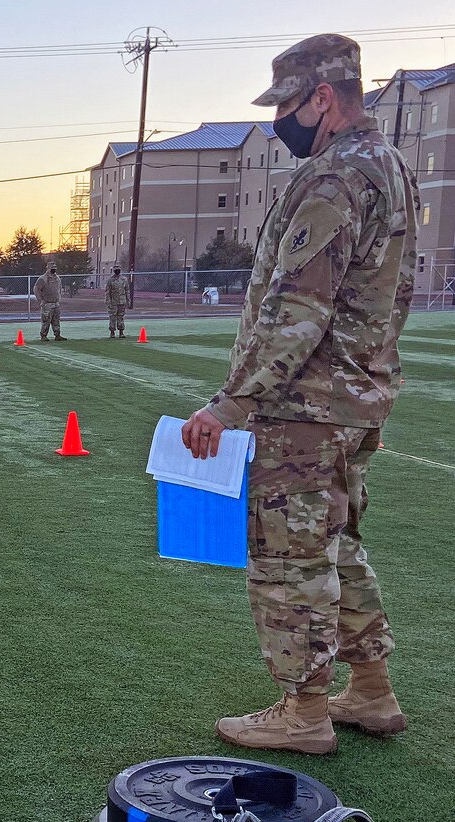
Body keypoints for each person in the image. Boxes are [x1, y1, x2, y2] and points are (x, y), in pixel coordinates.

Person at [180, 34, 419, 755]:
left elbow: (298, 309)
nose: (281, 119)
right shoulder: (390, 166)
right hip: (356, 397)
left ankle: (304, 709)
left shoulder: (333, 179)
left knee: (291, 558)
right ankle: (371, 690)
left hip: (309, 407)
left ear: (323, 97)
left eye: (288, 103)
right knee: (339, 545)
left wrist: (233, 402)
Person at [33, 263, 66, 341]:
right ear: (48, 268)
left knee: (56, 320)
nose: (54, 269)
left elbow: (60, 288)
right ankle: (43, 335)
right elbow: (36, 289)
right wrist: (40, 300)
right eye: (52, 268)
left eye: (55, 268)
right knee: (46, 320)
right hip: (47, 303)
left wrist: (59, 297)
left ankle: (57, 335)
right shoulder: (43, 279)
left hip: (56, 303)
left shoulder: (57, 278)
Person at [105, 265, 129, 338]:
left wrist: (128, 300)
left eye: (118, 269)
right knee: (112, 317)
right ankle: (112, 332)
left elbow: (127, 290)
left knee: (121, 316)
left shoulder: (124, 279)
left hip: (122, 301)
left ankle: (121, 332)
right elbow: (107, 292)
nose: (117, 271)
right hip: (113, 302)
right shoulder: (110, 280)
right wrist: (108, 302)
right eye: (116, 270)